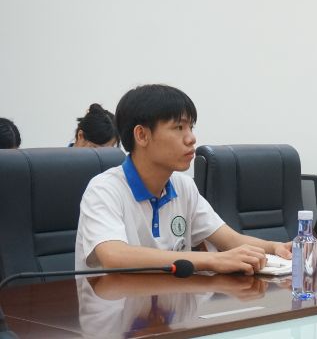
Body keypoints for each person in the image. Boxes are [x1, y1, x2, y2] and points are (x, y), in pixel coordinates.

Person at [75, 84, 291, 273]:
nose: (191, 138)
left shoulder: (183, 186)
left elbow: (231, 240)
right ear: (142, 135)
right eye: (179, 127)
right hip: (115, 305)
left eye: (191, 127)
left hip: (173, 303)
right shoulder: (104, 189)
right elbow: (115, 256)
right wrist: (212, 260)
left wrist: (275, 248)